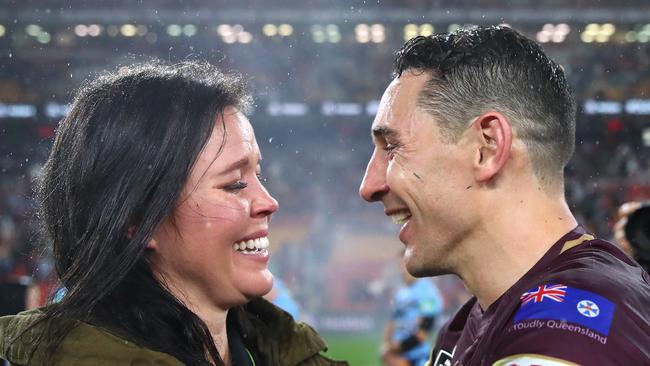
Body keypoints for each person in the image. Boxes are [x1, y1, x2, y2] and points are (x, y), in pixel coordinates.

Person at [0, 61, 346, 366]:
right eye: (235, 185)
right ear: (136, 219)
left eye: (259, 176)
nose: (269, 202)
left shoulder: (279, 349)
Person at [359, 26, 650, 365]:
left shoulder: (562, 334)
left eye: (392, 147)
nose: (369, 186)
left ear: (488, 147)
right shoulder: (475, 320)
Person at [381, 255, 443, 366]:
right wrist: (386, 346)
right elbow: (393, 321)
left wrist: (397, 347)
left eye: (404, 267)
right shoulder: (401, 293)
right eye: (399, 268)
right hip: (397, 355)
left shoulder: (428, 292)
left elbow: (424, 332)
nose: (401, 272)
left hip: (417, 358)